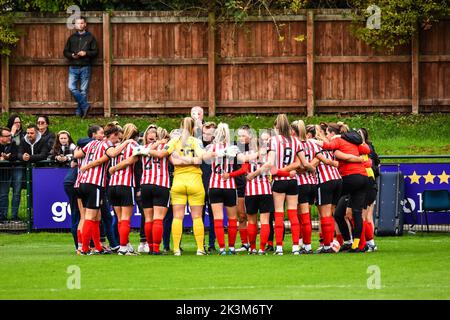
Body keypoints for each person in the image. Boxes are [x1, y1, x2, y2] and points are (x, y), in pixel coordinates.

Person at [142, 117, 207, 256]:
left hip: (178, 181)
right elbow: (201, 158)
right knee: (197, 217)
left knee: (177, 217)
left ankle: (176, 249)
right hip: (195, 180)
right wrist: (191, 160)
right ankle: (200, 249)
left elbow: (162, 154)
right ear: (194, 128)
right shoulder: (197, 141)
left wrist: (145, 150)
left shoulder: (174, 141)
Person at [74, 123, 132, 255]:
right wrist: (127, 142)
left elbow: (77, 154)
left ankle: (98, 247)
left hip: (82, 182)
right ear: (113, 135)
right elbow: (113, 153)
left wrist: (84, 164)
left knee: (95, 217)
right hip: (94, 183)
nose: (118, 141)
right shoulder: (106, 144)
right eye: (118, 138)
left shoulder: (91, 144)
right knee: (90, 216)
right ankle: (84, 249)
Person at [261, 114, 314, 255]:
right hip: (292, 181)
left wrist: (275, 170)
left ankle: (279, 247)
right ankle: (296, 246)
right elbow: (303, 163)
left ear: (277, 126)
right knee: (293, 214)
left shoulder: (273, 140)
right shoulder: (296, 141)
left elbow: (271, 163)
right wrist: (312, 169)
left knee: (279, 214)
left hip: (279, 181)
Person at [313, 123, 371, 253]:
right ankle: (357, 244)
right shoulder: (352, 141)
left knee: (330, 206)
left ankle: (328, 243)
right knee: (356, 212)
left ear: (333, 134)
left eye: (328, 133)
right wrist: (359, 157)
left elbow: (328, 146)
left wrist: (312, 141)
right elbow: (367, 150)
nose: (327, 135)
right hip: (363, 177)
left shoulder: (338, 140)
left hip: (349, 177)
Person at [202, 123, 247, 255]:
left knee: (218, 218)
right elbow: (244, 160)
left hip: (214, 185)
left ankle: (222, 248)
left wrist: (217, 153)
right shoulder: (233, 148)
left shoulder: (211, 147)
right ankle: (231, 248)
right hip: (229, 187)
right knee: (232, 218)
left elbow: (203, 157)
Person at [63, 16, 99, 118]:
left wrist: (86, 53)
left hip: (85, 67)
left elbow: (95, 52)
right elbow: (65, 52)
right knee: (71, 87)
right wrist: (72, 56)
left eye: (82, 23)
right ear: (75, 25)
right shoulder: (71, 38)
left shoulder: (90, 37)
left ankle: (79, 113)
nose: (80, 25)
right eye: (78, 23)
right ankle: (85, 106)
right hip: (73, 67)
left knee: (83, 91)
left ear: (85, 24)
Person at [200, 121, 217, 253]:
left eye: (209, 133)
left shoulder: (217, 147)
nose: (206, 136)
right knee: (198, 216)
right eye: (204, 133)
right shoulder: (197, 145)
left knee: (213, 216)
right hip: (199, 185)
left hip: (213, 185)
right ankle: (201, 244)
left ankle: (212, 244)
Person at [5, 115, 24, 223]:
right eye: (15, 122)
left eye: (19, 122)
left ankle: (14, 216)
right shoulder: (6, 133)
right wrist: (11, 133)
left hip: (17, 166)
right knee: (4, 192)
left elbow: (20, 149)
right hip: (6, 167)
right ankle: (3, 216)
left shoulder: (24, 135)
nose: (18, 124)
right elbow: (6, 145)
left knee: (17, 191)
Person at [0, 127, 18, 223]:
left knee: (3, 195)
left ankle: (3, 217)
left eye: (10, 135)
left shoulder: (13, 143)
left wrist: (8, 157)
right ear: (1, 137)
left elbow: (16, 155)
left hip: (5, 174)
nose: (9, 138)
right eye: (7, 136)